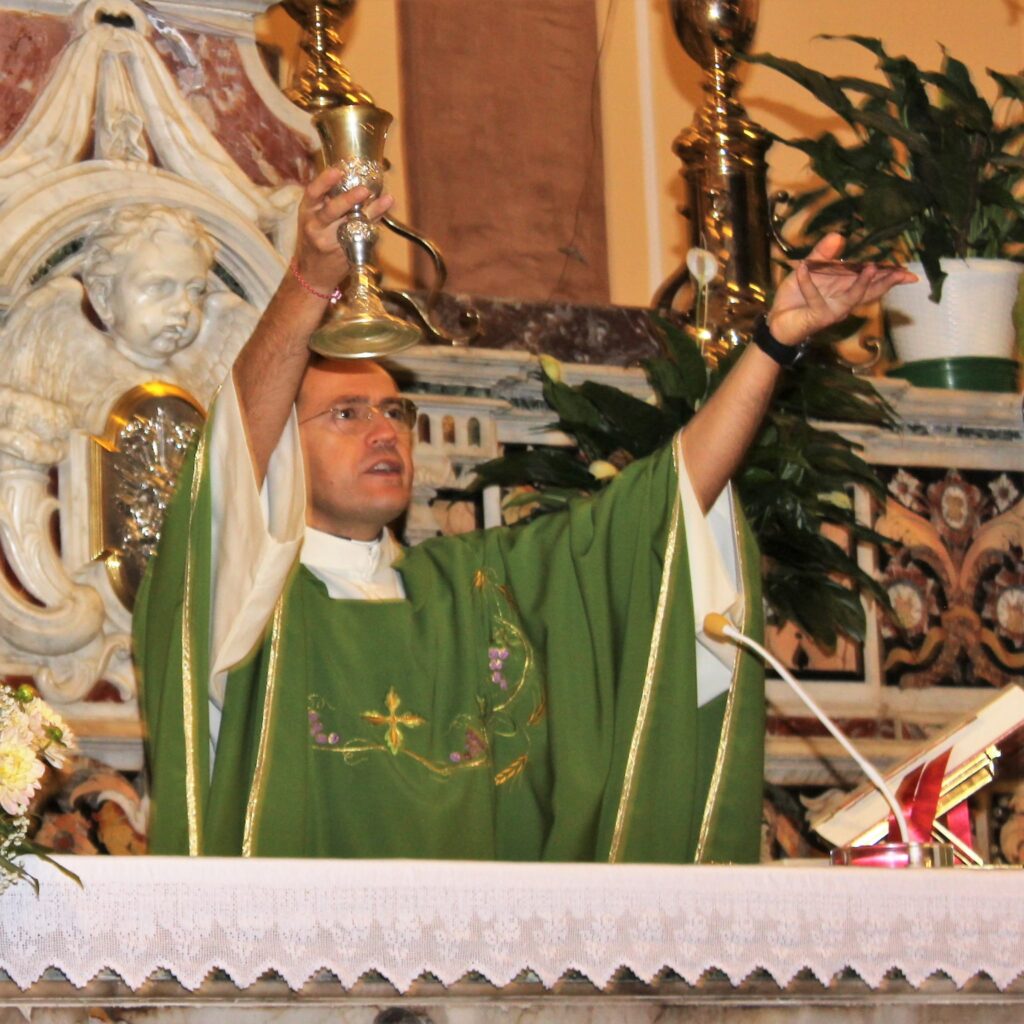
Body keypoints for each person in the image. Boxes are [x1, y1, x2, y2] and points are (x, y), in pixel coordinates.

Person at [135, 168, 915, 862]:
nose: (384, 431)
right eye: (346, 414)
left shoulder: (474, 592)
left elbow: (659, 514)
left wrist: (773, 344)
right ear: (278, 456)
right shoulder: (248, 609)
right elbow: (233, 458)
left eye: (396, 411)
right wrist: (310, 281)